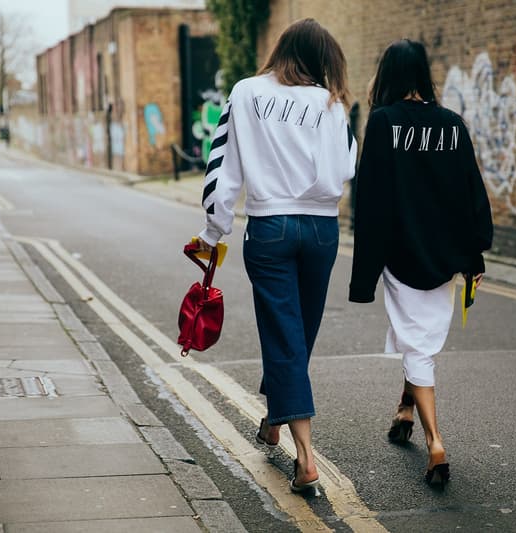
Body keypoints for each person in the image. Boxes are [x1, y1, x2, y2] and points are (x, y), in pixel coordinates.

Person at [196, 18, 357, 493]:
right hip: (322, 228)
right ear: (322, 59)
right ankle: (274, 421)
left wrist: (213, 230)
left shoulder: (246, 92)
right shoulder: (330, 103)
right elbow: (347, 165)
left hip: (270, 227)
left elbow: (222, 165)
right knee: (298, 333)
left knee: (287, 336)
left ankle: (305, 457)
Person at [349, 39, 493, 487]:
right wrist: (474, 255)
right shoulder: (453, 125)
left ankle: (435, 445)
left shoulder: (384, 122)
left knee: (417, 345)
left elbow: (369, 204)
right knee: (419, 338)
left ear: (388, 75)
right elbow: (473, 194)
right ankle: (405, 409)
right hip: (445, 256)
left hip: (402, 254)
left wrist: (364, 274)